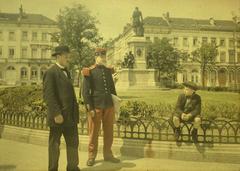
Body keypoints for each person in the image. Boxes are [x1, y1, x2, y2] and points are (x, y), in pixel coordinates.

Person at [43, 45, 80, 171]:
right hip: (58, 117)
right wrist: (56, 114)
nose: (68, 58)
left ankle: (73, 167)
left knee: (73, 143)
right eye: (66, 56)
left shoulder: (67, 71)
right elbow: (49, 95)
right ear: (58, 57)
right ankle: (52, 169)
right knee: (54, 145)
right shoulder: (50, 72)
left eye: (68, 56)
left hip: (70, 117)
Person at [82, 48, 120, 166]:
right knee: (94, 133)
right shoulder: (89, 71)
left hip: (109, 105)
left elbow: (112, 89)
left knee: (109, 131)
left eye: (104, 56)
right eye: (100, 56)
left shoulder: (109, 71)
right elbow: (85, 92)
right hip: (96, 106)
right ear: (95, 57)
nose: (102, 58)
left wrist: (115, 104)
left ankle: (108, 155)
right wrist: (90, 108)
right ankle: (91, 156)